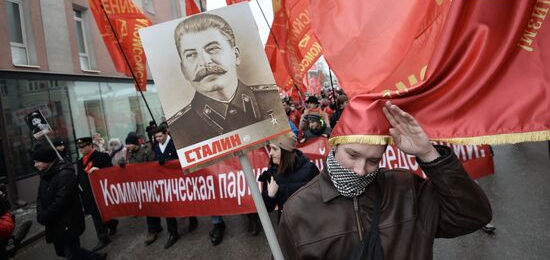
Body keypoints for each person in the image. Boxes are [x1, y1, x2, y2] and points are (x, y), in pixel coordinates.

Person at [278, 101, 492, 259]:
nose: (361, 170)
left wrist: (428, 154)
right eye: (352, 155)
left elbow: (472, 215)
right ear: (334, 146)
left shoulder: (405, 188)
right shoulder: (298, 209)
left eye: (373, 160)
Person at [168, 13, 282, 144]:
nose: (204, 62)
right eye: (191, 55)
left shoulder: (272, 101)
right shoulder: (179, 131)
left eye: (212, 49)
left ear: (236, 55)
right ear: (184, 71)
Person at [33, 145, 106, 259]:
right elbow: (39, 197)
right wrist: (40, 212)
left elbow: (61, 201)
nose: (35, 165)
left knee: (71, 254)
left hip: (68, 222)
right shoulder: (45, 174)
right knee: (62, 251)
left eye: (38, 162)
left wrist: (45, 215)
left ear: (48, 160)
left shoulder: (65, 175)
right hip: (55, 223)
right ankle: (94, 257)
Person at [151, 126, 198, 249]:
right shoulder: (156, 147)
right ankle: (173, 233)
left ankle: (193, 219)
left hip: (180, 180)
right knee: (168, 207)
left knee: (186, 201)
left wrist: (170, 162)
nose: (158, 139)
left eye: (160, 136)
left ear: (166, 133)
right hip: (165, 183)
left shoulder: (176, 143)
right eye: (156, 137)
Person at [259, 136, 319, 223]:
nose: (270, 153)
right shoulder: (271, 174)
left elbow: (320, 199)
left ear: (286, 151)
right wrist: (270, 196)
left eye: (274, 149)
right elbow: (267, 208)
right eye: (270, 148)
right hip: (286, 227)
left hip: (310, 225)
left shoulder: (310, 169)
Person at [76, 137, 119, 251]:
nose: (81, 149)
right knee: (97, 214)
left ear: (91, 145)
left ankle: (103, 238)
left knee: (97, 215)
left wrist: (99, 170)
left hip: (100, 191)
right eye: (79, 147)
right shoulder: (80, 161)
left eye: (83, 146)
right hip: (87, 193)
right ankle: (112, 223)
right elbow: (80, 177)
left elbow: (110, 172)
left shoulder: (102, 156)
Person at [122, 132, 162, 246]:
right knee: (148, 207)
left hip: (149, 182)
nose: (128, 146)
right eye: (127, 144)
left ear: (135, 143)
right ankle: (156, 228)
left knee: (151, 206)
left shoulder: (146, 151)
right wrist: (122, 165)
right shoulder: (128, 153)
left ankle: (153, 230)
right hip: (139, 184)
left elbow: (154, 164)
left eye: (129, 144)